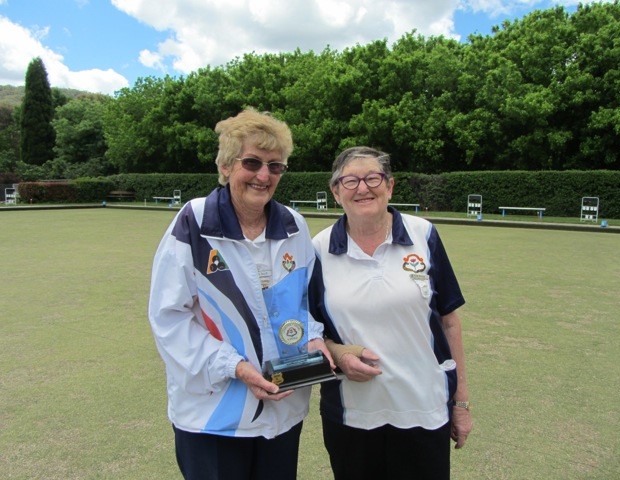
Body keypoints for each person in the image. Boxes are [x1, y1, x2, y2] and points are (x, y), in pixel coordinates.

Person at [148, 108, 332, 480]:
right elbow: (169, 318)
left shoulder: (294, 224)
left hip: (283, 412)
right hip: (214, 418)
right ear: (227, 165)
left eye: (275, 166)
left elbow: (303, 304)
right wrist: (235, 367)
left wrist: (313, 338)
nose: (264, 175)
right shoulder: (194, 221)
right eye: (252, 162)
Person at [309, 146, 473, 480]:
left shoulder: (424, 235)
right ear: (335, 191)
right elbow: (308, 332)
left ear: (390, 186)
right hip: (352, 416)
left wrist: (461, 404)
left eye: (373, 178)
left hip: (424, 410)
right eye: (350, 181)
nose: (363, 188)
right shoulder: (318, 249)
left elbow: (449, 322)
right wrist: (338, 355)